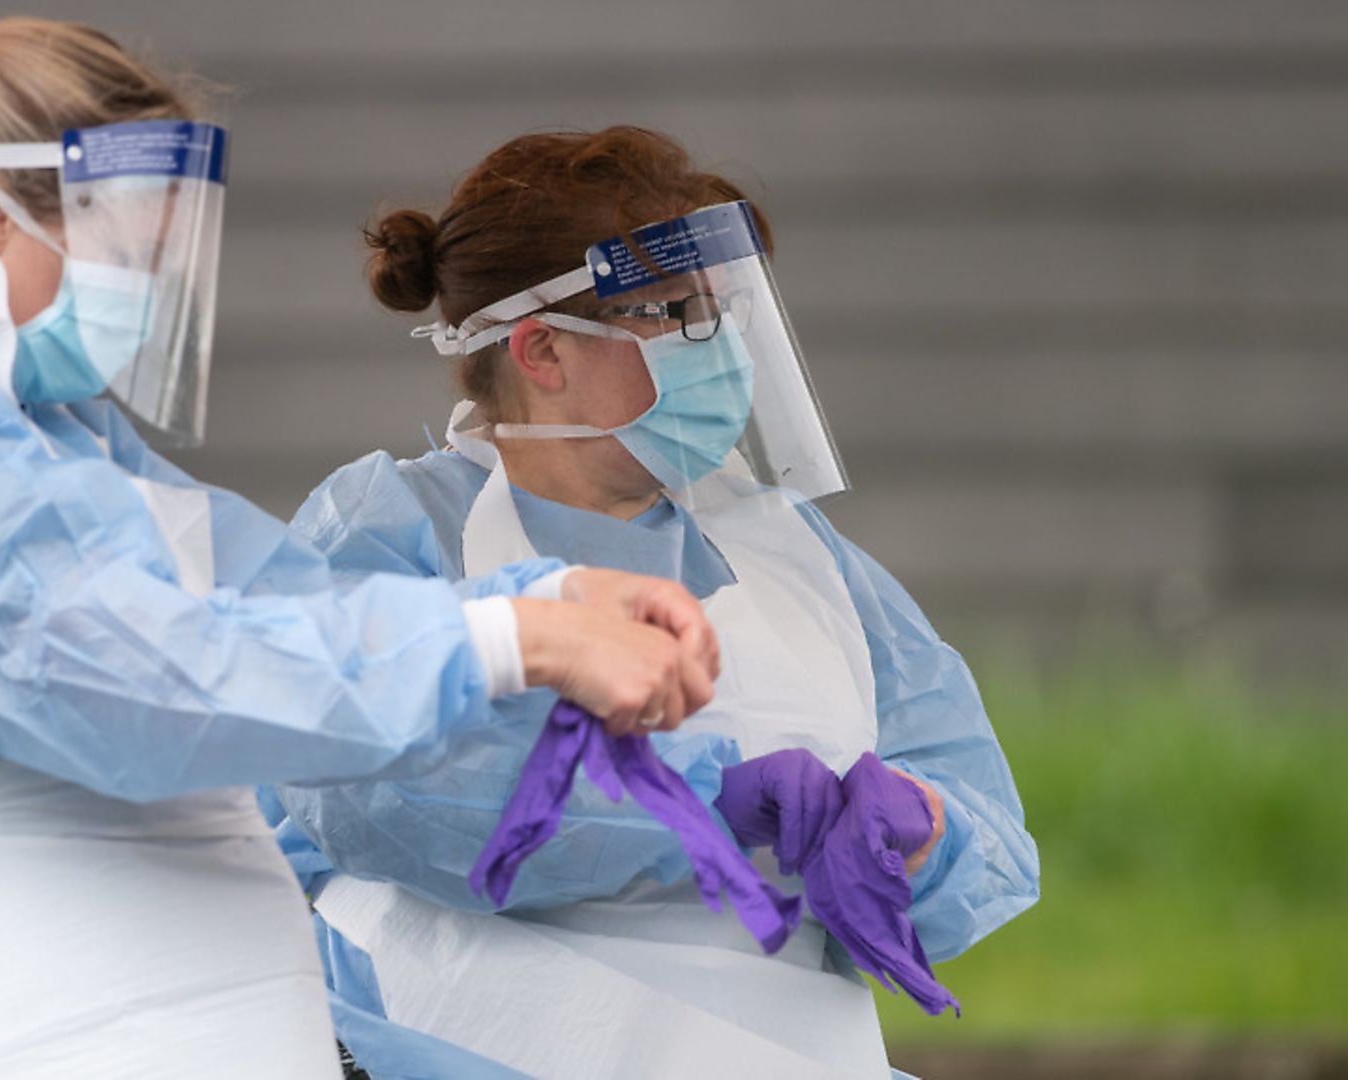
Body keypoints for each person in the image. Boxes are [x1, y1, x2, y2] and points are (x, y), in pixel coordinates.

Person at [0, 8, 720, 1075]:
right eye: (125, 257)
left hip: (104, 990)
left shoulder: (19, 417)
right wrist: (503, 638)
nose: (145, 298)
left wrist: (558, 593)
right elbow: (162, 677)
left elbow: (257, 603)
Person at [271, 127, 1041, 1080]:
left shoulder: (797, 557)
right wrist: (713, 806)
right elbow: (370, 785)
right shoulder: (392, 530)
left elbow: (986, 841)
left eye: (717, 313)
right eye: (673, 315)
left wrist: (919, 833)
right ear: (542, 348)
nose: (717, 352)